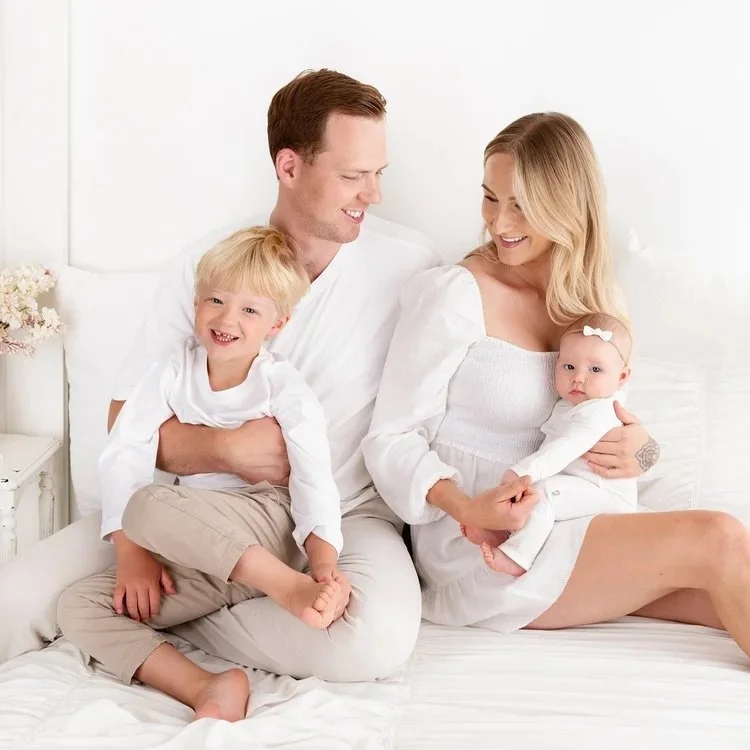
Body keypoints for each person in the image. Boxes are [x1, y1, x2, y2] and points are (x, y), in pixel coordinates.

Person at [0, 70, 451, 691]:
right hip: (192, 513)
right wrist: (225, 451)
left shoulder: (411, 264)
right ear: (289, 166)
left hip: (340, 515)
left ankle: (174, 617)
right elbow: (124, 422)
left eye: (379, 173)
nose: (372, 194)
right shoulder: (210, 265)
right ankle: (210, 600)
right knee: (15, 600)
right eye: (354, 175)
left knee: (375, 639)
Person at [363, 112, 750, 656]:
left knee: (729, 581)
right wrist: (469, 510)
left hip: (578, 514)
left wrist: (642, 450)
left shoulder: (594, 306)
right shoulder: (455, 294)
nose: (499, 222)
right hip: (486, 546)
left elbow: (607, 427)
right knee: (719, 538)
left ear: (567, 206)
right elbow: (391, 438)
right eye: (490, 198)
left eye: (521, 205)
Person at [57, 225, 351, 720]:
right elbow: (126, 447)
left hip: (267, 523)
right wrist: (132, 554)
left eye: (250, 310)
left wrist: (324, 568)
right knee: (78, 606)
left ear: (278, 323)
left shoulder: (281, 386)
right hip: (205, 550)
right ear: (195, 303)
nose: (227, 319)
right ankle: (205, 686)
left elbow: (314, 479)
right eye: (216, 300)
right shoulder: (173, 369)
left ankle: (286, 586)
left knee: (147, 504)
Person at [462, 311, 637, 576]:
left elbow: (565, 447)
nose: (578, 377)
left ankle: (518, 557)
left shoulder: (602, 411)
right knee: (537, 491)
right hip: (579, 484)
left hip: (607, 495)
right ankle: (504, 531)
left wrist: (524, 471)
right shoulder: (569, 405)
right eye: (569, 367)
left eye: (595, 369)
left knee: (543, 493)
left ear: (622, 377)